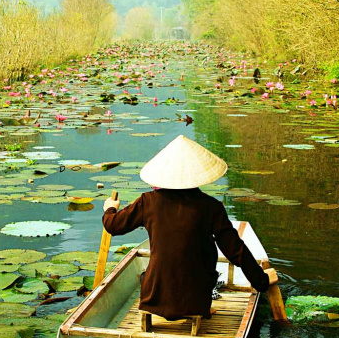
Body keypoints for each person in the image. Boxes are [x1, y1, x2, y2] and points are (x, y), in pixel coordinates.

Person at [102, 135, 276, 323]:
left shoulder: (148, 202)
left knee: (153, 267)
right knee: (208, 252)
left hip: (155, 296)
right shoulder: (211, 207)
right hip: (196, 299)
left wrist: (110, 208)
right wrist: (261, 282)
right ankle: (203, 304)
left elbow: (113, 225)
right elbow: (236, 250)